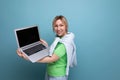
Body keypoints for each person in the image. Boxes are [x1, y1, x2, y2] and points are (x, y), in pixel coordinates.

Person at [16, 15, 77, 80]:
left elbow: (51, 59)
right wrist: (46, 46)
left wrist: (28, 58)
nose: (58, 28)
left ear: (66, 26)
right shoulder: (60, 39)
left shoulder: (65, 44)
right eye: (56, 26)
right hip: (50, 72)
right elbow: (54, 52)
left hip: (57, 76)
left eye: (61, 25)